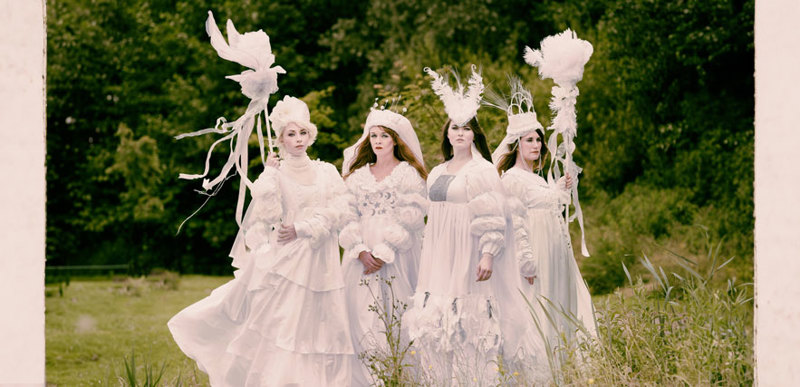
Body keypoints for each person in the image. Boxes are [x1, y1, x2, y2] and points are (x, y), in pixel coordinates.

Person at [168, 96, 356, 386]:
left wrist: (305, 227)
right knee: (287, 326)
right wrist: (269, 174)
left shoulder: (326, 171)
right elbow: (268, 215)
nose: (298, 139)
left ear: (311, 134)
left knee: (319, 326)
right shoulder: (276, 173)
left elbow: (342, 210)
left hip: (321, 261)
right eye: (291, 134)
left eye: (303, 133)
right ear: (281, 139)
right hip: (289, 263)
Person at [404, 66, 539, 384]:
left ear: (474, 134)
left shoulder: (481, 170)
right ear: (447, 133)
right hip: (438, 254)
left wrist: (488, 254)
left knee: (467, 323)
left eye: (466, 128)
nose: (460, 133)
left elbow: (492, 216)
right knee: (436, 325)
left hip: (468, 253)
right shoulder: (437, 171)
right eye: (455, 128)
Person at [490, 79, 597, 349]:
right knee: (540, 302)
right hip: (536, 250)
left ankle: (563, 353)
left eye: (538, 139)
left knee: (560, 298)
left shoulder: (537, 178)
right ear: (517, 144)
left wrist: (561, 187)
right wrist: (526, 260)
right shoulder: (512, 178)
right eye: (530, 140)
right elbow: (516, 221)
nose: (536, 145)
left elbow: (548, 203)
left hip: (555, 248)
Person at [339, 106, 428, 386]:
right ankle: (364, 378)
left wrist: (385, 249)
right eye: (373, 135)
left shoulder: (408, 174)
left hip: (397, 252)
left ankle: (400, 375)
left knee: (398, 310)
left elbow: (412, 215)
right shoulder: (356, 176)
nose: (377, 141)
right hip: (360, 253)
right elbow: (345, 215)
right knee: (360, 313)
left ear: (395, 140)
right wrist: (360, 250)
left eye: (384, 136)